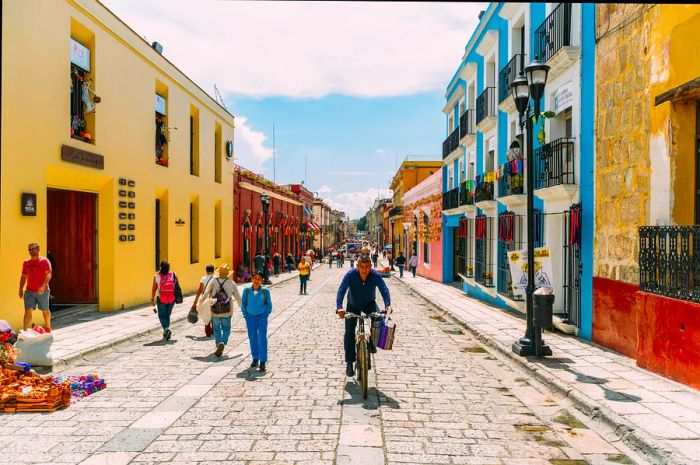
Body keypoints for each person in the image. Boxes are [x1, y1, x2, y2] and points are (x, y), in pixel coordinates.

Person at [336, 254, 392, 377]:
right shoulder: (350, 275)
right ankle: (350, 362)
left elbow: (384, 289)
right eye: (362, 267)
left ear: (371, 266)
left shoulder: (375, 275)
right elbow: (341, 290)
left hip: (369, 304)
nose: (365, 270)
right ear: (357, 266)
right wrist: (339, 307)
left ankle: (372, 342)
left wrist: (388, 305)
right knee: (349, 332)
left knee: (379, 319)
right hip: (353, 305)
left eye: (367, 267)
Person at [202, 264, 242, 358]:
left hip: (215, 309)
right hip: (227, 310)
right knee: (226, 328)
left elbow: (206, 292)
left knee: (216, 328)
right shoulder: (231, 282)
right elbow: (238, 297)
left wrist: (200, 302)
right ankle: (223, 341)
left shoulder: (213, 281)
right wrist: (242, 307)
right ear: (228, 273)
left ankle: (219, 343)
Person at [241, 272, 272, 372]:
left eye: (259, 279)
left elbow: (269, 304)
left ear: (261, 280)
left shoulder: (265, 291)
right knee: (252, 337)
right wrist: (245, 314)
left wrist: (266, 313)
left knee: (262, 338)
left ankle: (262, 361)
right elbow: (243, 304)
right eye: (255, 278)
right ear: (252, 279)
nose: (257, 280)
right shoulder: (246, 291)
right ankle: (255, 358)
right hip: (250, 317)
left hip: (262, 317)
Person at [19, 242, 53, 331]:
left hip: (43, 291)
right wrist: (20, 289)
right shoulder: (26, 263)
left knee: (45, 310)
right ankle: (25, 331)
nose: (32, 251)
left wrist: (43, 286)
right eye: (30, 249)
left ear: (38, 249)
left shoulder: (44, 261)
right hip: (29, 291)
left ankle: (48, 327)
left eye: (34, 249)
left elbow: (48, 275)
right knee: (28, 311)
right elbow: (23, 276)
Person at [151, 260, 180, 341]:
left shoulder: (157, 276)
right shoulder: (173, 274)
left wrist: (152, 299)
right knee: (167, 315)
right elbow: (177, 285)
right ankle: (166, 331)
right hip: (172, 298)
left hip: (161, 298)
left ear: (160, 267)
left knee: (161, 315)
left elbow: (154, 289)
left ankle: (166, 329)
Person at [192, 264, 216, 337]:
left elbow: (200, 290)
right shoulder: (216, 278)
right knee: (213, 315)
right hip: (213, 298)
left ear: (206, 271)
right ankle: (214, 331)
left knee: (206, 315)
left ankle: (208, 332)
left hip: (205, 299)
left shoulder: (203, 278)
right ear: (213, 270)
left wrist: (195, 301)